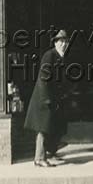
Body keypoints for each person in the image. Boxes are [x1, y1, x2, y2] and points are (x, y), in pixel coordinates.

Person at [23, 29, 70, 167]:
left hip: (54, 99)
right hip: (44, 99)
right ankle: (39, 158)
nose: (64, 44)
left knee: (53, 127)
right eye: (61, 41)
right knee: (43, 128)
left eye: (66, 42)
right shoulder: (49, 55)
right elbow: (44, 78)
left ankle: (50, 154)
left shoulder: (60, 57)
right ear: (55, 43)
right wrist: (46, 99)